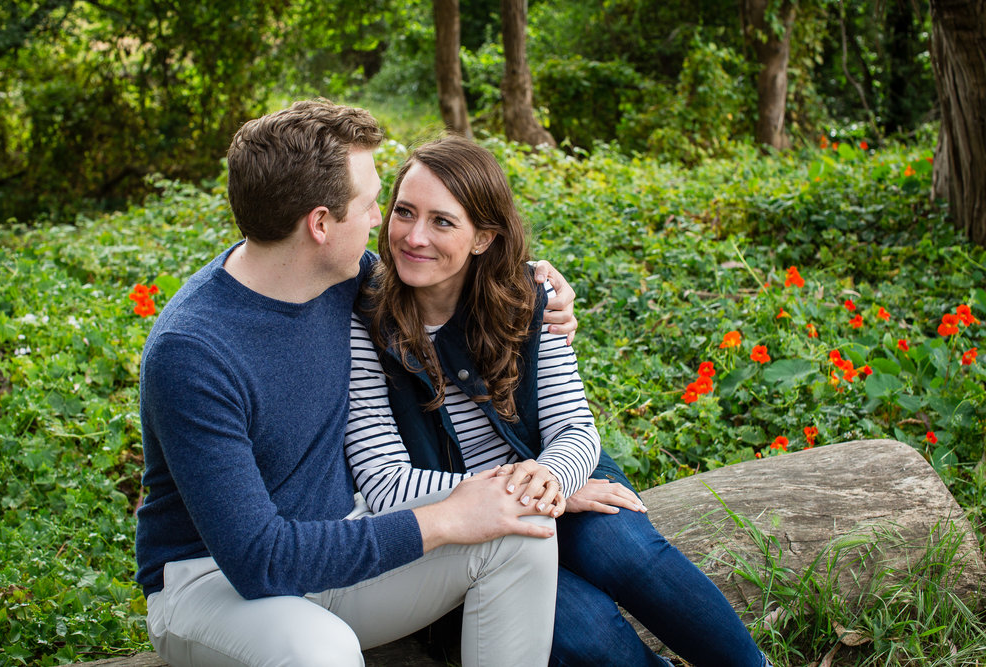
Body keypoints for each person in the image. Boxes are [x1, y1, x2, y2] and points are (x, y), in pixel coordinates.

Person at [134, 99, 581, 667]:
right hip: (214, 583)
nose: (379, 221)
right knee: (324, 651)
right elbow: (259, 560)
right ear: (320, 224)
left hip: (342, 543)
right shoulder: (193, 354)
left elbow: (457, 286)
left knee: (518, 531)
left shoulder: (349, 277)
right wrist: (445, 519)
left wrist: (541, 291)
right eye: (372, 204)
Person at [346, 135, 772, 667]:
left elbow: (574, 428)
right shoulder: (364, 317)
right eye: (404, 212)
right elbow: (387, 485)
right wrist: (536, 495)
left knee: (628, 553)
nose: (413, 236)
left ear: (483, 237)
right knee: (581, 628)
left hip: (561, 474)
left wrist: (551, 482)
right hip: (455, 527)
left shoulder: (527, 298)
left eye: (442, 221)